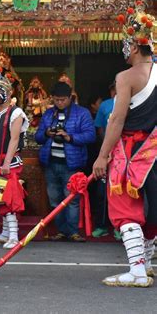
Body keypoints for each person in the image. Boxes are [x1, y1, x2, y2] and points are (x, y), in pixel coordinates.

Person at [93, 2, 157, 288]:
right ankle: (148, 263)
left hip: (132, 152)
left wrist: (102, 156)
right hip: (155, 149)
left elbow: (117, 120)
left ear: (133, 46)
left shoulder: (126, 77)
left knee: (126, 207)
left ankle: (138, 271)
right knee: (152, 207)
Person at [36, 81, 96, 242]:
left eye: (63, 99)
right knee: (55, 199)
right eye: (56, 100)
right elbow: (38, 137)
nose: (59, 103)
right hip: (50, 163)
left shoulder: (82, 113)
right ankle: (62, 231)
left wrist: (70, 137)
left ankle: (73, 232)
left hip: (72, 164)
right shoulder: (48, 114)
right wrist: (47, 133)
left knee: (72, 199)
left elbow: (91, 135)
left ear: (71, 98)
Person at [0, 73, 29, 248]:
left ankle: (14, 236)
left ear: (9, 93)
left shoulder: (16, 112)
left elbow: (15, 139)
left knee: (9, 197)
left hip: (8, 162)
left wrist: (7, 163)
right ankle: (4, 233)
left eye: (0, 89)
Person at [91, 82, 120, 240]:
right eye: (114, 89)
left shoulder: (132, 103)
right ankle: (101, 226)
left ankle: (119, 227)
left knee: (119, 192)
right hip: (106, 154)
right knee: (101, 193)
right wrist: (106, 146)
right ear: (111, 91)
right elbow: (100, 128)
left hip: (124, 154)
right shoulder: (105, 106)